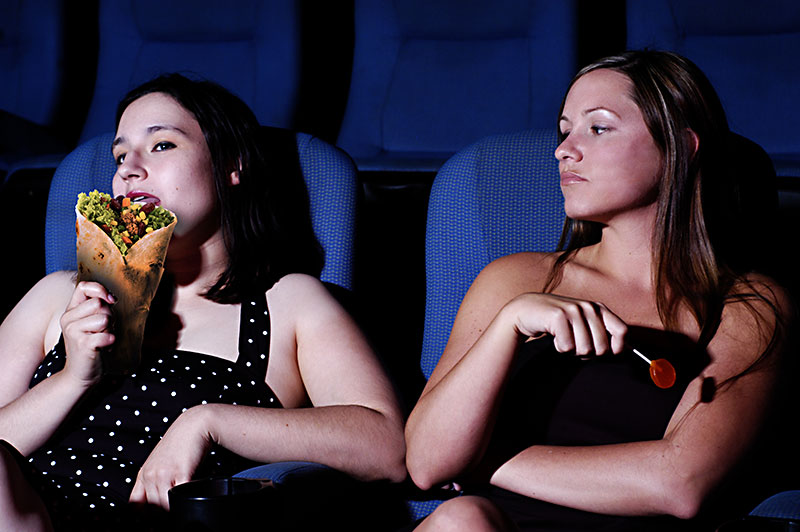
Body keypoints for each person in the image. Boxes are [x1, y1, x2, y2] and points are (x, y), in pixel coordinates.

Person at [404, 50, 792, 531]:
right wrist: (509, 324)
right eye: (565, 129)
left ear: (681, 147)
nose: (564, 149)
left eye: (599, 128)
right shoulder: (515, 280)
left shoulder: (746, 306)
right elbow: (425, 462)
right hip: (495, 525)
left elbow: (680, 483)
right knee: (461, 518)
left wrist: (486, 462)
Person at [0, 74, 406, 531]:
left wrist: (207, 422)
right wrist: (74, 376)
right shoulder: (59, 295)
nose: (128, 168)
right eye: (119, 155)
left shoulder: (287, 301)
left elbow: (385, 446)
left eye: (162, 145)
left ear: (230, 164)